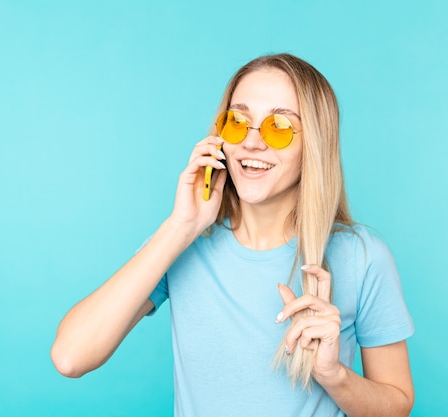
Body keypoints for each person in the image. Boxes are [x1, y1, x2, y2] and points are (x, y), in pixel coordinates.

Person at [51, 53, 415, 417]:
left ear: (314, 144)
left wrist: (333, 375)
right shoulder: (184, 240)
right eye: (237, 122)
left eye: (278, 127)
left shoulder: (362, 256)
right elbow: (70, 357)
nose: (252, 144)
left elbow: (397, 406)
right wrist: (182, 225)